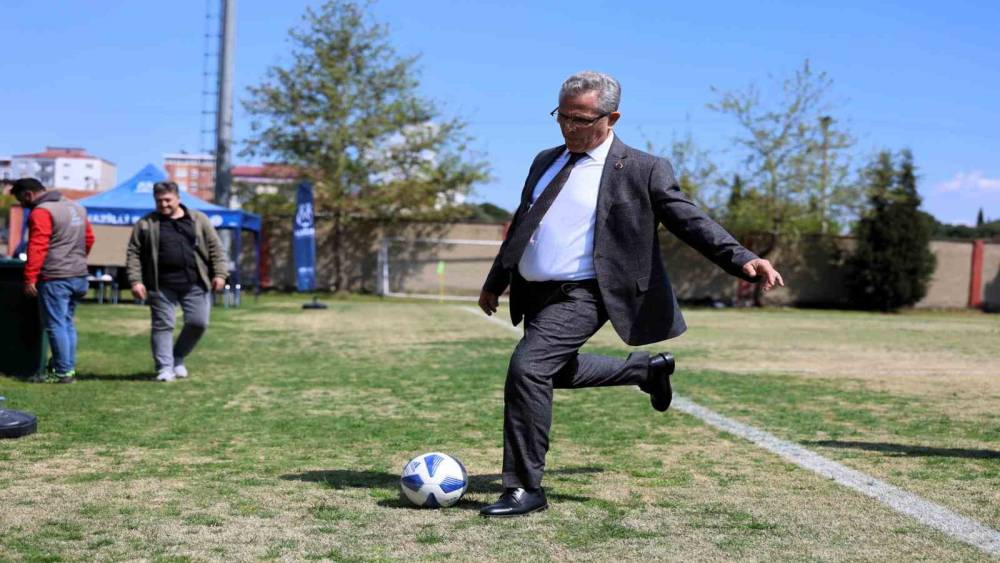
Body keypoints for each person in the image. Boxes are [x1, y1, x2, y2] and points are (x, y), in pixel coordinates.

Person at [477, 71, 784, 517]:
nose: (568, 128)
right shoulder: (545, 160)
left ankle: (525, 487)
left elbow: (688, 219)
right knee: (549, 372)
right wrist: (495, 279)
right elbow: (526, 222)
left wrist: (742, 258)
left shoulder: (642, 168)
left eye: (581, 119)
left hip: (587, 292)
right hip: (537, 293)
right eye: (562, 116)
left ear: (612, 117)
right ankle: (645, 371)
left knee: (527, 368)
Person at [126, 181, 228, 382]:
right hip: (160, 284)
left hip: (195, 282)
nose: (163, 204)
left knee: (198, 323)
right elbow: (133, 253)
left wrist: (220, 274)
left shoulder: (198, 219)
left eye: (167, 200)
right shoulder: (146, 223)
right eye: (159, 201)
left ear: (178, 198)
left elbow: (215, 248)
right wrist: (135, 280)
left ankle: (178, 356)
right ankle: (164, 368)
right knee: (163, 325)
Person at [10, 178, 95, 384]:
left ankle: (62, 373)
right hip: (79, 275)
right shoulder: (77, 208)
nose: (22, 204)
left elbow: (37, 246)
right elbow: (89, 238)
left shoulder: (42, 211)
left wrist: (30, 277)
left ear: (29, 194)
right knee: (66, 324)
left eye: (21, 199)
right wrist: (76, 260)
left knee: (56, 325)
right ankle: (67, 369)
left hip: (55, 277)